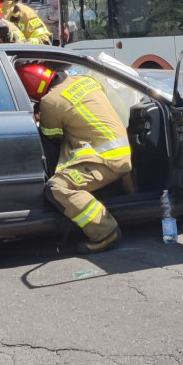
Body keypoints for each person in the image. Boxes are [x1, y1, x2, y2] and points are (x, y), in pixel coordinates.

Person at [15, 62, 132, 254]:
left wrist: (40, 113)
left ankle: (105, 231)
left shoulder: (50, 102)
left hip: (104, 160)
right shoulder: (86, 80)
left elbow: (51, 137)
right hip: (122, 151)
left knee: (57, 188)